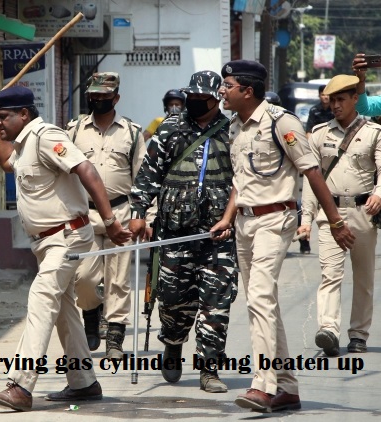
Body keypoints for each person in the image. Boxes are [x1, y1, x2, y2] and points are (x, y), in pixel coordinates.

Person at [211, 60, 355, 413]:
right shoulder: (235, 126)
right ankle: (287, 387)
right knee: (263, 303)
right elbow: (241, 179)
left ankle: (263, 385)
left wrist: (335, 221)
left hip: (275, 219)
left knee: (260, 299)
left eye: (228, 85)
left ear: (248, 91)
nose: (222, 92)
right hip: (244, 223)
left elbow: (312, 171)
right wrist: (227, 218)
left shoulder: (281, 122)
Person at [0, 86, 132, 412]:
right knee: (65, 312)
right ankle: (84, 382)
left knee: (41, 298)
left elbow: (86, 169)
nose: (0, 122)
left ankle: (21, 384)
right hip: (46, 243)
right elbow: (6, 162)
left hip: (67, 236)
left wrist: (110, 221)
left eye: (4, 117)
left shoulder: (46, 136)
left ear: (24, 114)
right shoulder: (24, 143)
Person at [127, 70, 236, 394]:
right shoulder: (170, 128)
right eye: (192, 97)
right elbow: (149, 174)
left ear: (215, 99)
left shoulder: (232, 131)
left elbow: (244, 180)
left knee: (216, 304)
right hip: (175, 233)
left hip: (217, 236)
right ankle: (173, 342)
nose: (194, 102)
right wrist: (138, 213)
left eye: (201, 98)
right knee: (174, 300)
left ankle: (209, 368)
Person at [297, 74, 381, 357]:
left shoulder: (374, 132)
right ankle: (328, 330)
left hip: (363, 213)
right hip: (329, 214)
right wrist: (306, 220)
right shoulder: (320, 134)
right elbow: (312, 180)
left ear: (355, 99)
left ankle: (358, 334)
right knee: (330, 274)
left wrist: (379, 194)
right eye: (332, 100)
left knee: (363, 277)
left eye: (341, 99)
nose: (335, 105)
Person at [66, 72, 146, 361]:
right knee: (83, 277)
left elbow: (142, 178)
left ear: (116, 98)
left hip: (121, 211)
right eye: (94, 95)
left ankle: (115, 338)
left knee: (119, 279)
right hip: (84, 214)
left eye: (104, 95)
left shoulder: (132, 133)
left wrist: (143, 216)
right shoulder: (74, 130)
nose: (99, 100)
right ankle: (91, 313)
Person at [266, 91, 311, 253]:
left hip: (283, 179)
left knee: (295, 206)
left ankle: (304, 241)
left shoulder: (286, 125)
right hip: (263, 183)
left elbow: (299, 154)